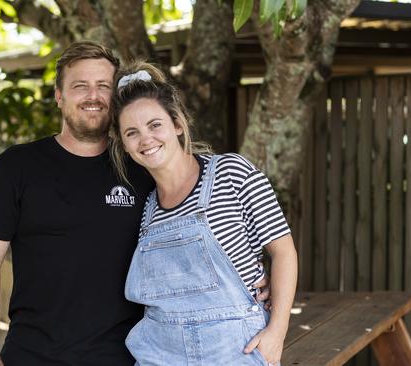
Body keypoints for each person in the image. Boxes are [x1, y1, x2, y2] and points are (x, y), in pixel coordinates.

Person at [0, 41, 271, 366]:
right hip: (31, 356)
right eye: (80, 86)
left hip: (127, 357)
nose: (93, 96)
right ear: (59, 95)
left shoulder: (142, 168)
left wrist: (255, 286)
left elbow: (205, 225)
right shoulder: (17, 166)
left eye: (103, 86)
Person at [109, 62, 298, 366]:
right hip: (160, 352)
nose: (146, 139)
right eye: (132, 132)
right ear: (125, 145)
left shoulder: (232, 172)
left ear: (177, 124)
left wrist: (277, 331)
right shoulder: (147, 209)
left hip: (237, 350)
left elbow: (284, 251)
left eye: (155, 125)